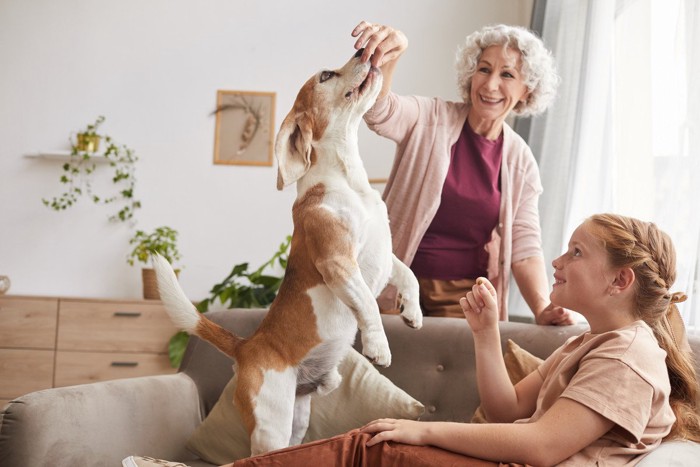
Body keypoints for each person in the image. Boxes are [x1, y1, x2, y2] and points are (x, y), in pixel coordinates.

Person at [123, 213, 700, 466]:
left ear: (620, 280)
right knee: (373, 449)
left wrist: (421, 428)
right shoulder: (588, 343)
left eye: (577, 252)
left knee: (374, 447)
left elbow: (542, 446)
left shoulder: (628, 354)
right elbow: (506, 412)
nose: (557, 259)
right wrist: (482, 334)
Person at [352, 21, 575, 325]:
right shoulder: (430, 118)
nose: (490, 84)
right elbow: (378, 112)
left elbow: (524, 248)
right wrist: (391, 56)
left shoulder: (520, 160)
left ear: (527, 90)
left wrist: (541, 308)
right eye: (484, 69)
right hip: (393, 283)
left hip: (462, 299)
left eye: (507, 74)